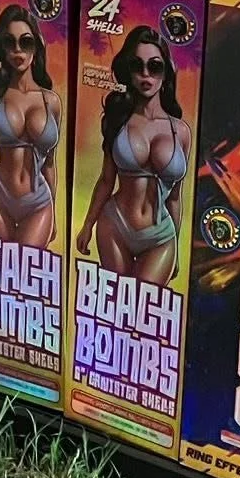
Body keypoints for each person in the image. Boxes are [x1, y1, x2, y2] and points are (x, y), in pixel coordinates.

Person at [75, 25, 189, 285]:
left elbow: (174, 198)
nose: (146, 75)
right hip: (116, 225)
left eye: (155, 66)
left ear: (166, 72)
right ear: (128, 70)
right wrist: (87, 225)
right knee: (116, 309)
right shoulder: (118, 119)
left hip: (161, 235)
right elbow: (106, 180)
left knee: (143, 309)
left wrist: (178, 251)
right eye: (137, 66)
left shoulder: (180, 131)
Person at [0, 4, 60, 247]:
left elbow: (50, 162)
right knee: (2, 271)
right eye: (10, 42)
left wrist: (55, 211)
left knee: (26, 272)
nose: (18, 50)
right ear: (2, 48)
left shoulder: (52, 102)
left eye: (25, 42)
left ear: (36, 46)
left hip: (38, 200)